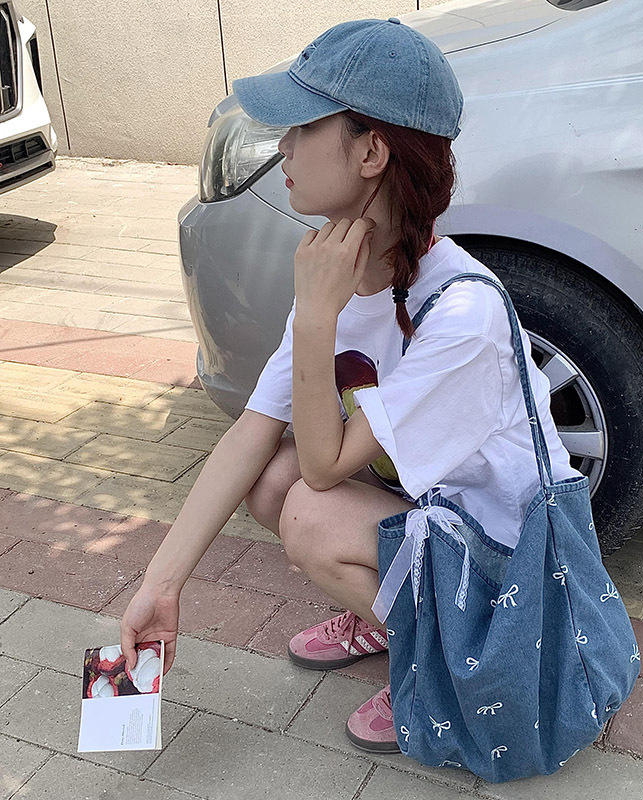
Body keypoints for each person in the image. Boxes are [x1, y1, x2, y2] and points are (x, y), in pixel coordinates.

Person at [119, 17, 583, 755]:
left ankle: (441, 662)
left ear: (371, 152)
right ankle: (397, 614)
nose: (282, 147)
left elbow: (325, 466)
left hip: (510, 562)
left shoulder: (460, 312)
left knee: (308, 509)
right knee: (269, 480)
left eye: (304, 126)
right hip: (433, 513)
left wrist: (316, 320)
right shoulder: (342, 271)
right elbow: (253, 431)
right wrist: (161, 584)